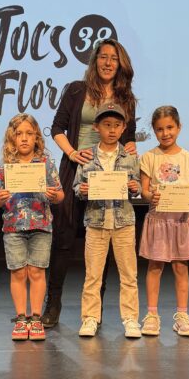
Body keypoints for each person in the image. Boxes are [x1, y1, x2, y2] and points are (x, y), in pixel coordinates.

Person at [42, 39, 138, 327]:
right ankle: (53, 304)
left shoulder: (126, 98)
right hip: (76, 169)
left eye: (114, 58)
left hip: (109, 173)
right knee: (64, 238)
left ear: (121, 64)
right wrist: (72, 153)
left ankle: (96, 311)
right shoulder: (76, 90)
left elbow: (129, 136)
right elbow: (57, 128)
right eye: (103, 57)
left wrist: (131, 146)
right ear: (95, 60)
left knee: (104, 237)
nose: (108, 63)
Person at [0, 114, 63, 342]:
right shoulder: (5, 165)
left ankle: (36, 318)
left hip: (41, 225)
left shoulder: (45, 163)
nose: (24, 138)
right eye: (19, 134)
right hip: (13, 226)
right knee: (19, 272)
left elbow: (60, 194)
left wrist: (53, 195)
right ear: (11, 138)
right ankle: (22, 318)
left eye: (29, 134)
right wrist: (1, 198)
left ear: (36, 137)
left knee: (37, 271)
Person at [73, 104, 142, 339]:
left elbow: (137, 186)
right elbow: (77, 187)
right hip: (96, 222)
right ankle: (90, 318)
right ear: (96, 127)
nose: (112, 130)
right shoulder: (87, 156)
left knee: (129, 274)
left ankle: (130, 319)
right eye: (107, 125)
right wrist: (82, 190)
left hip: (124, 222)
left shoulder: (130, 157)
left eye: (116, 125)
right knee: (93, 275)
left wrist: (134, 187)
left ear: (123, 128)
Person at [138, 105, 189, 337]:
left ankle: (182, 316)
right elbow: (144, 191)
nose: (165, 133)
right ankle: (152, 315)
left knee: (180, 267)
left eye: (170, 128)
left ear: (179, 127)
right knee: (155, 266)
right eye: (159, 129)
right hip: (158, 220)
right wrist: (150, 196)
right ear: (154, 131)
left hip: (181, 221)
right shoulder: (149, 157)